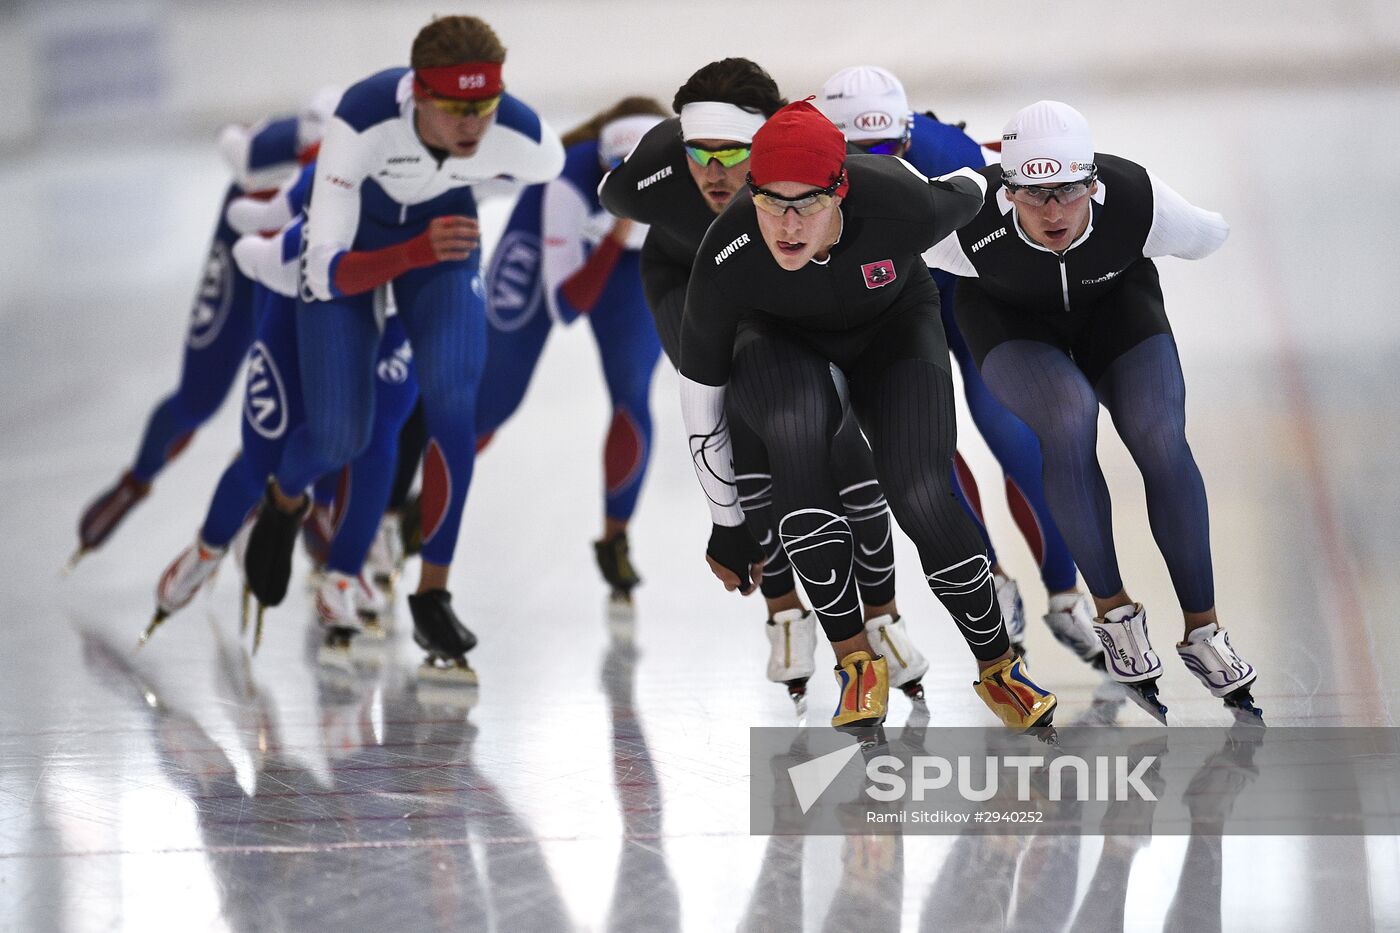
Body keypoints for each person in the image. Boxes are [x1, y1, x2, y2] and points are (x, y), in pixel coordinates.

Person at [677, 100, 1058, 734]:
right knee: (796, 438)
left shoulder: (901, 205)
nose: (789, 225)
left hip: (893, 330)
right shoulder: (729, 251)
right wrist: (728, 522)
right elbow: (700, 396)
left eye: (808, 203)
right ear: (751, 191)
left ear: (843, 189)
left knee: (921, 492)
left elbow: (973, 183)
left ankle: (999, 668)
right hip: (780, 342)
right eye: (772, 201)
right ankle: (856, 662)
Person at [601, 60, 931, 715]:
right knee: (739, 414)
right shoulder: (652, 174)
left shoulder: (796, 174)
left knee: (827, 427)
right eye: (701, 152)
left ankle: (882, 614)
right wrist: (726, 525)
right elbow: (612, 194)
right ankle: (783, 609)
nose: (716, 171)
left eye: (735, 154)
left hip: (773, 273)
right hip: (687, 279)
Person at [241, 15, 564, 682]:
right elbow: (324, 269)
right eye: (455, 110)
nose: (473, 126)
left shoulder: (527, 139)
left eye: (485, 108)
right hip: (356, 249)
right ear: (418, 94)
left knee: (453, 402)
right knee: (340, 436)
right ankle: (284, 496)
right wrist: (413, 250)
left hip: (444, 242)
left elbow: (562, 172)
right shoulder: (360, 122)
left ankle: (432, 593)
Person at [924, 100, 1262, 721]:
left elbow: (1212, 232)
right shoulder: (966, 206)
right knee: (1068, 415)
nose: (1053, 211)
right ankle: (1113, 613)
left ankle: (1204, 630)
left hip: (1115, 311)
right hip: (1009, 324)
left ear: (1094, 183)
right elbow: (876, 244)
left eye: (1068, 191)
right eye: (1032, 194)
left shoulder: (1139, 198)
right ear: (1006, 188)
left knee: (1159, 435)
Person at [819, 66, 1105, 670]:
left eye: (892, 150)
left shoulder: (948, 153)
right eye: (863, 156)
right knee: (924, 448)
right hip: (890, 305)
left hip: (962, 292)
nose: (885, 168)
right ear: (833, 149)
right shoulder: (809, 169)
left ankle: (1064, 593)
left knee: (1012, 434)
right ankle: (991, 575)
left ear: (907, 135)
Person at [142, 168, 418, 660]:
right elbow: (255, 241)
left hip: (394, 314)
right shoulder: (325, 183)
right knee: (261, 456)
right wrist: (259, 249)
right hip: (298, 300)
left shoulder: (437, 170)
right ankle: (208, 549)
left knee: (378, 441)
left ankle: (340, 576)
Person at [70, 90, 338, 569]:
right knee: (200, 397)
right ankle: (136, 480)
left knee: (325, 399)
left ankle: (316, 503)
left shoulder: (393, 165)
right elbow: (231, 140)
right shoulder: (275, 151)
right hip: (246, 239)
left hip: (308, 256)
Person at [476, 98, 667, 607]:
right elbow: (566, 305)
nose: (624, 189)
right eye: (612, 176)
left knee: (632, 393)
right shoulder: (566, 180)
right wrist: (617, 234)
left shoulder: (692, 175)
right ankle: (405, 499)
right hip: (561, 253)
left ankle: (615, 539)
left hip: (634, 268)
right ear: (599, 164)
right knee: (493, 402)